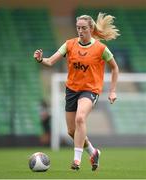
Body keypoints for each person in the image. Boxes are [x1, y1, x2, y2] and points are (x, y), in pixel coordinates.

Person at [33, 12, 119, 171]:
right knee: (72, 131)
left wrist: (112, 91)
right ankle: (93, 152)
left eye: (84, 28)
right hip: (72, 90)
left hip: (90, 90)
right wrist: (40, 59)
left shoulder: (101, 48)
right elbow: (50, 61)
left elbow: (114, 68)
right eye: (78, 28)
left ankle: (76, 160)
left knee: (80, 118)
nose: (80, 31)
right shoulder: (69, 44)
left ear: (91, 28)